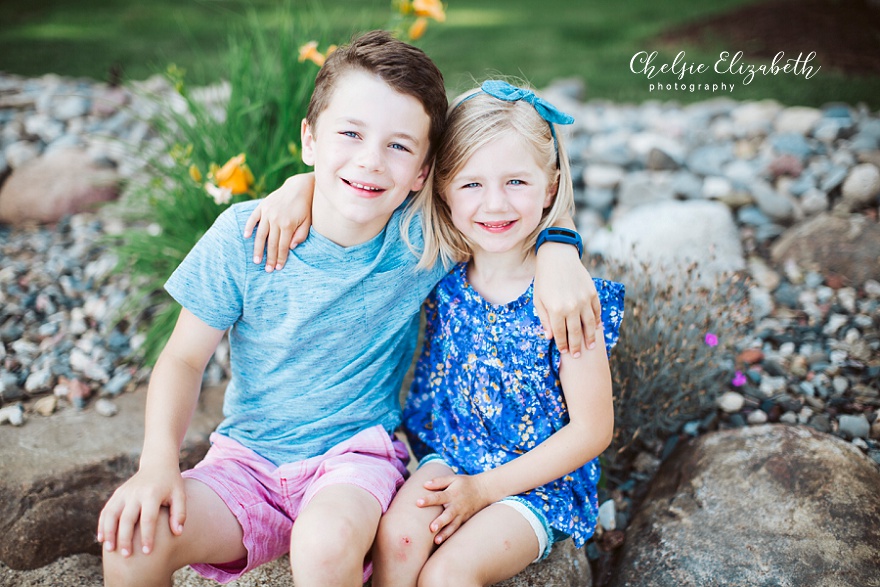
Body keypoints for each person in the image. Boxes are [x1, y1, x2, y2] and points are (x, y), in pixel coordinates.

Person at [96, 31, 599, 587]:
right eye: (351, 134)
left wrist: (560, 248)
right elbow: (185, 360)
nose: (370, 161)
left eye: (399, 146)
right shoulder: (245, 236)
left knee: (325, 543)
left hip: (355, 459)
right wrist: (157, 465)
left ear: (422, 175)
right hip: (246, 461)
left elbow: (508, 213)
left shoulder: (424, 238)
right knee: (131, 546)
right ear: (310, 140)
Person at [370, 80, 625, 587]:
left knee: (448, 575)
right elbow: (358, 195)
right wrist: (297, 189)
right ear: (441, 188)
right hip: (449, 452)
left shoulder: (566, 298)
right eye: (471, 184)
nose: (495, 205)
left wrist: (483, 490)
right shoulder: (439, 272)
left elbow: (594, 429)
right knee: (396, 543)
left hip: (535, 485)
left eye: (517, 183)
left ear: (550, 186)